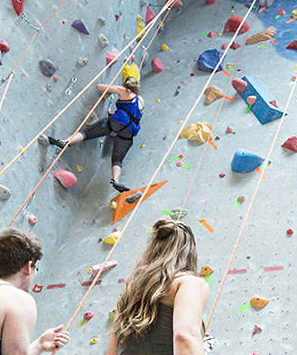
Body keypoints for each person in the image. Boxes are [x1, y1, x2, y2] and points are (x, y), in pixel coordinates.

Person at [107, 218, 209, 355]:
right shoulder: (189, 282)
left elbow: (112, 352)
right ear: (189, 252)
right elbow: (185, 337)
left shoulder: (131, 292)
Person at [48, 76, 145, 198]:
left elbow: (100, 87)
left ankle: (65, 142)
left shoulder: (122, 90)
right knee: (117, 160)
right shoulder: (141, 100)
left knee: (86, 133)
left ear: (126, 85)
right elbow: (133, 113)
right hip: (128, 132)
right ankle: (116, 180)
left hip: (116, 122)